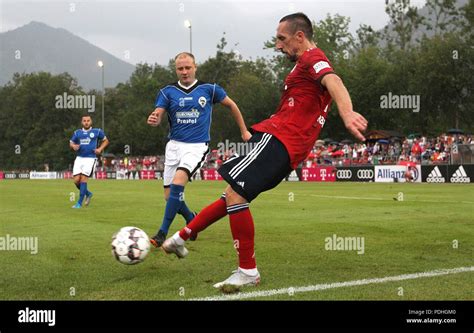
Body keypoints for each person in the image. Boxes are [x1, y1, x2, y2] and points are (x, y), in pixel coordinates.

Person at [160, 13, 368, 288]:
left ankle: (247, 270)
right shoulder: (302, 65)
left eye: (282, 39)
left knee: (235, 194)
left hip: (282, 139)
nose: (278, 46)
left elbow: (334, 81)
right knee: (232, 195)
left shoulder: (312, 58)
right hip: (286, 142)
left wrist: (347, 112)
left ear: (300, 37)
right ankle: (180, 238)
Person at [147, 52, 251, 247]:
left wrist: (244, 131)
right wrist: (155, 119)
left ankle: (162, 233)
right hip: (173, 146)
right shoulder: (167, 92)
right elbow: (158, 113)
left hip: (196, 146)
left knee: (178, 183)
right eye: (180, 68)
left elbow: (232, 105)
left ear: (195, 67)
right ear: (176, 70)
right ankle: (191, 217)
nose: (184, 72)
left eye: (188, 67)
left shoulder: (209, 89)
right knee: (170, 197)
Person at [69, 115, 109, 208]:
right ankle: (88, 193)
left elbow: (106, 141)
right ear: (81, 122)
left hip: (90, 159)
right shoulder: (77, 133)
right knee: (76, 181)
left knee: (83, 179)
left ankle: (79, 203)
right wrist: (73, 146)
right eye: (84, 121)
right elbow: (71, 142)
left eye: (88, 120)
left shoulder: (97, 131)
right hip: (79, 158)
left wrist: (100, 149)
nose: (86, 122)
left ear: (91, 122)